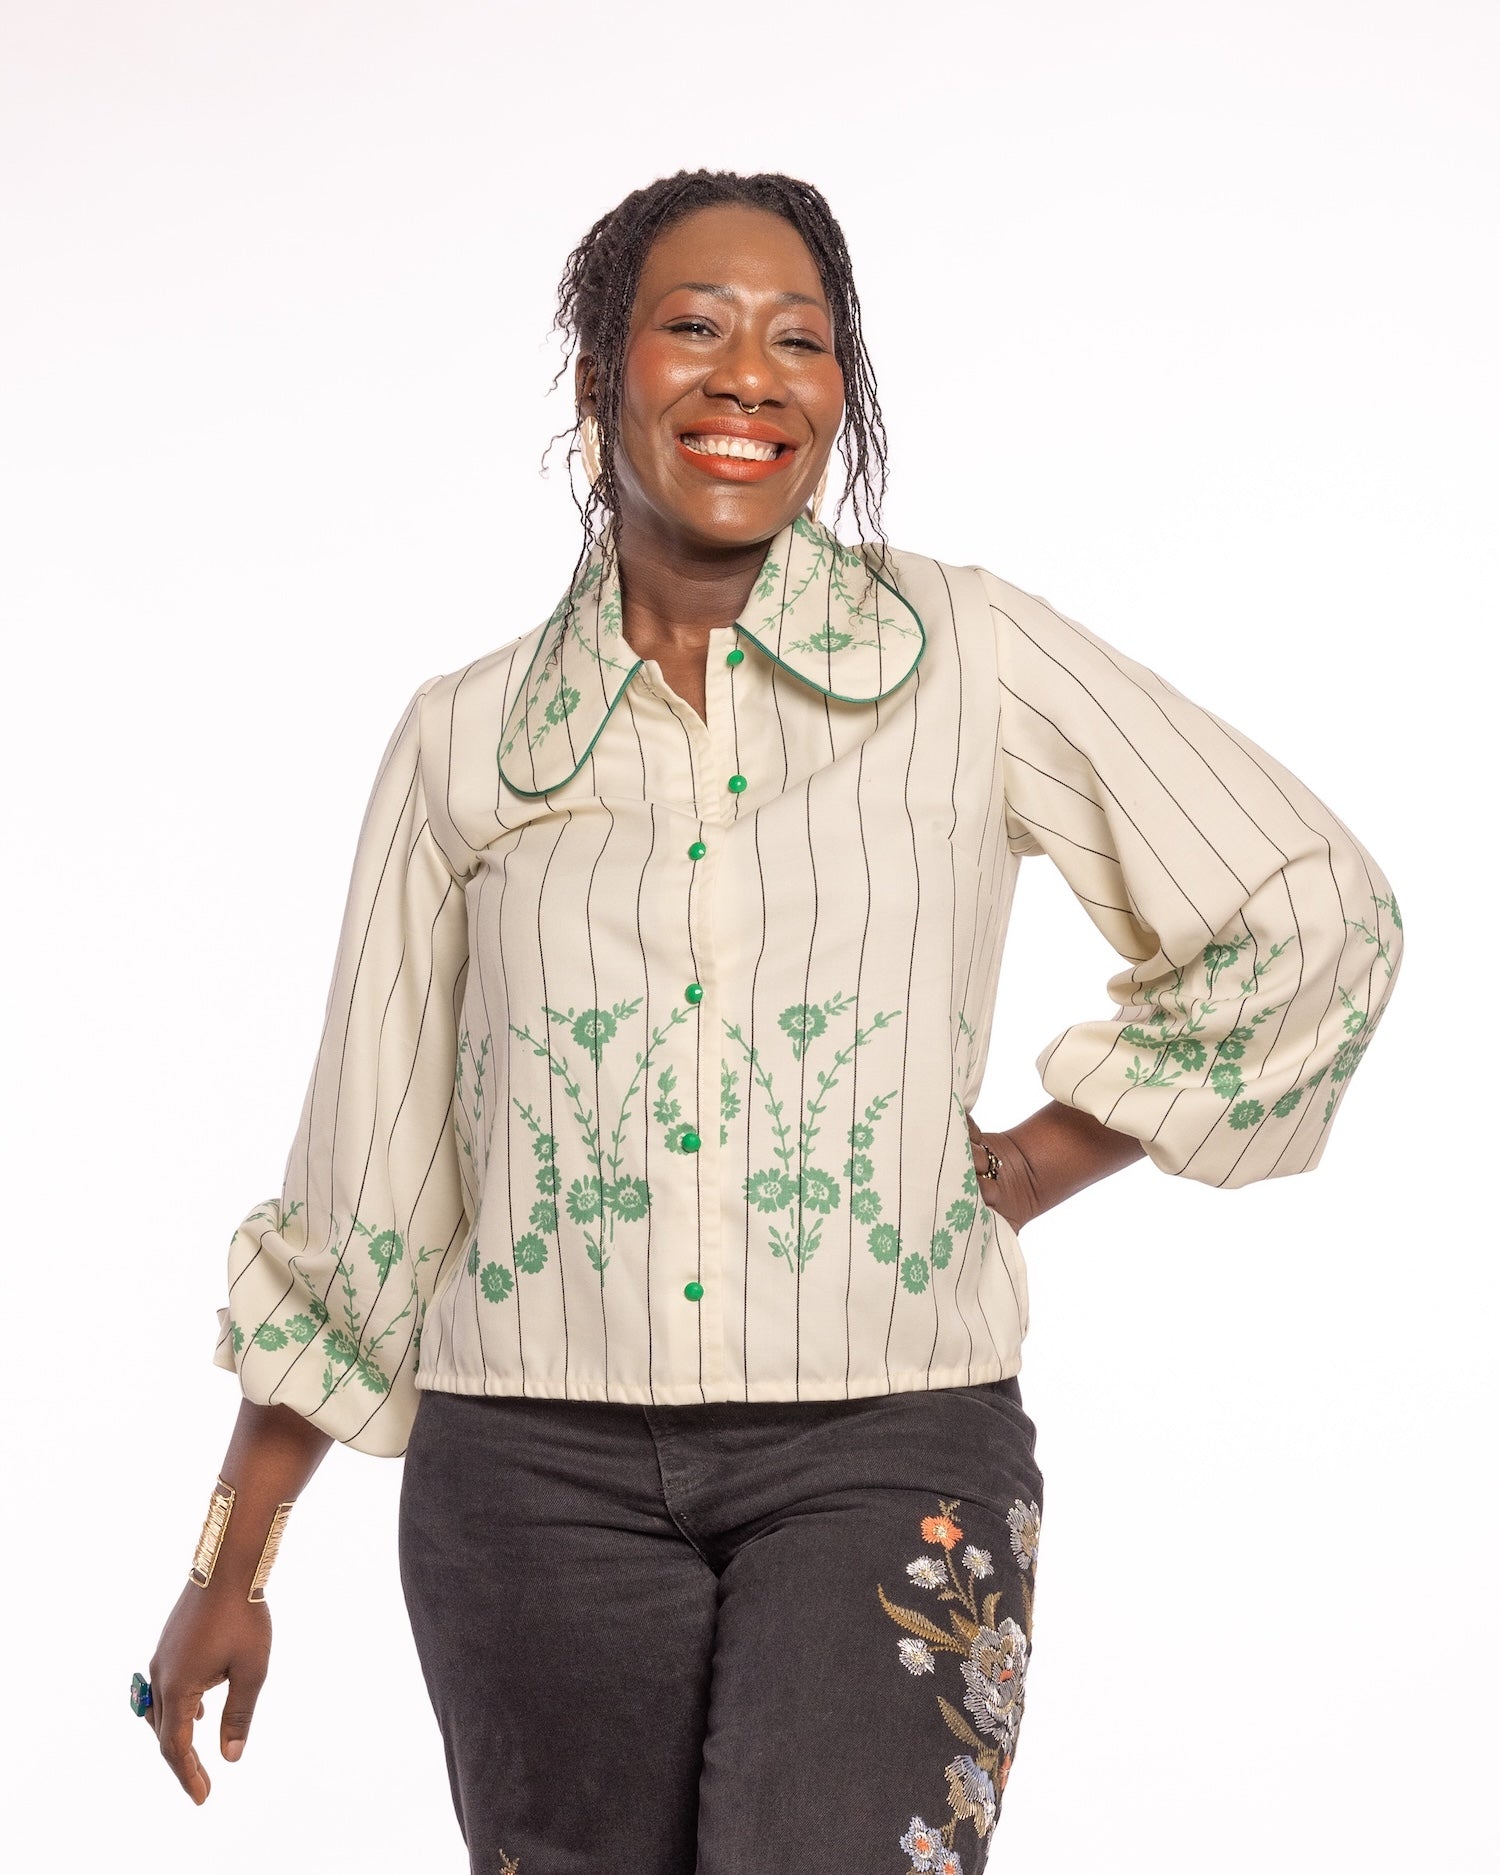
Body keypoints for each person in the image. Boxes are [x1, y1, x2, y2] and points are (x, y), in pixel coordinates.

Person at [136, 169, 1403, 1874]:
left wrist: (1034, 1162)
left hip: (890, 1444)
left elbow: (1309, 907)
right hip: (528, 1485)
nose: (750, 374)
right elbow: (367, 1179)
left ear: (839, 394)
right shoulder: (464, 740)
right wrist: (230, 1564)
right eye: (697, 327)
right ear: (600, 378)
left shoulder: (969, 657)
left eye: (799, 341)